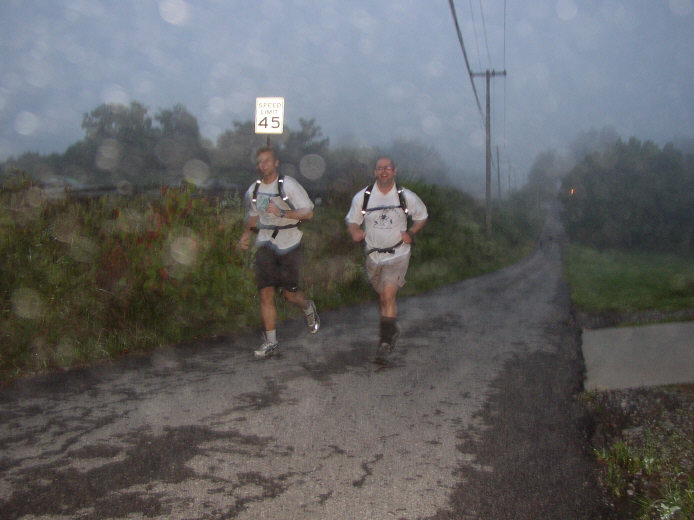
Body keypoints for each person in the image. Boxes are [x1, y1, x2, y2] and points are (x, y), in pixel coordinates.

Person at [239, 146, 320, 359]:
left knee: (289, 295)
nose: (263, 165)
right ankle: (271, 342)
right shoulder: (254, 190)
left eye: (267, 161)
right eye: (260, 162)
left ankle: (307, 306)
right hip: (265, 243)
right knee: (265, 293)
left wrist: (282, 212)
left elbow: (308, 213)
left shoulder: (288, 185)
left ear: (276, 163)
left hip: (290, 243)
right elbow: (254, 215)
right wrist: (246, 233)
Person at [345, 156, 428, 364]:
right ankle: (391, 329)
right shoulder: (363, 197)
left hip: (398, 254)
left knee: (388, 295)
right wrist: (355, 231)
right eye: (379, 168)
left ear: (394, 171)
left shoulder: (405, 196)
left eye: (387, 168)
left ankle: (384, 344)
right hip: (373, 255)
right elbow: (352, 221)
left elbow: (422, 216)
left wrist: (412, 232)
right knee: (383, 298)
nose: (384, 171)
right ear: (374, 172)